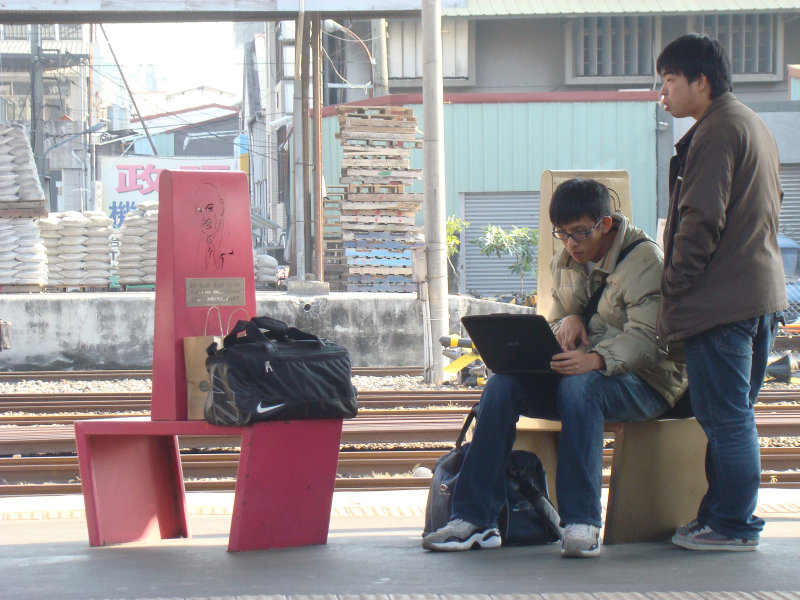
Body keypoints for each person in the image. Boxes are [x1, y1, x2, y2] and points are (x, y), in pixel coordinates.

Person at [422, 178, 687, 557]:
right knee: (501, 386)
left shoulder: (646, 262)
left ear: (606, 225)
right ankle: (474, 520)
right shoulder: (566, 259)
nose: (571, 244)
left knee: (580, 387)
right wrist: (568, 321)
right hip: (585, 375)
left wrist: (595, 359)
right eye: (562, 234)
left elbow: (647, 340)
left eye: (579, 234)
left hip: (646, 381)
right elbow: (560, 315)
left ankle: (581, 523)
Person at [655, 34, 787, 552]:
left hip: (721, 301)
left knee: (727, 419)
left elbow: (701, 218)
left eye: (668, 81)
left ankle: (732, 525)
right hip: (756, 295)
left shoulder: (715, 132)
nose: (662, 94)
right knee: (734, 416)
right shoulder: (753, 124)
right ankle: (720, 518)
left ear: (699, 81)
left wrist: (674, 285)